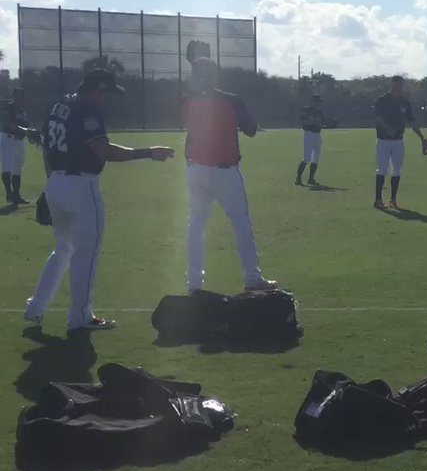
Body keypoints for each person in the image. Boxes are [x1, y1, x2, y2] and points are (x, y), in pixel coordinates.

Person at [24, 69, 174, 330]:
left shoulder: (59, 104)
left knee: (63, 249)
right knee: (87, 253)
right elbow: (105, 152)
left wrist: (50, 186)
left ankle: (36, 306)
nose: (107, 99)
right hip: (81, 187)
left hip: (56, 182)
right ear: (96, 90)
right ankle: (81, 316)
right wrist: (149, 152)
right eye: (106, 93)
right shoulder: (87, 110)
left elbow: (48, 147)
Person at [181, 56, 276, 293]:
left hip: (195, 168)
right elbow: (251, 130)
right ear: (214, 75)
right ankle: (252, 277)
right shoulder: (231, 100)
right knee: (241, 223)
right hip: (224, 170)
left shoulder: (185, 101)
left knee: (196, 227)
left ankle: (195, 283)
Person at [373, 76, 427, 210]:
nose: (399, 87)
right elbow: (377, 118)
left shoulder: (404, 102)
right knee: (382, 169)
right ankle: (378, 200)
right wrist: (388, 129)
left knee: (397, 170)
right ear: (392, 84)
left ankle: (393, 199)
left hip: (398, 140)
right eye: (397, 84)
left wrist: (422, 137)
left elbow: (411, 122)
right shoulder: (382, 100)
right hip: (383, 140)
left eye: (401, 85)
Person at [2, 87, 39, 204]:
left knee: (18, 167)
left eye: (21, 96)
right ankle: (9, 194)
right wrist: (27, 130)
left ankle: (16, 195)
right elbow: (8, 124)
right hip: (7, 138)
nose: (19, 98)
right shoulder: (8, 107)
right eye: (17, 96)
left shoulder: (23, 112)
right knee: (7, 166)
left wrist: (32, 136)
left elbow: (26, 128)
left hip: (19, 141)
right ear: (13, 96)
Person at [296, 94, 324, 186]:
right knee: (306, 158)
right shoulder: (306, 109)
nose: (318, 103)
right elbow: (302, 121)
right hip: (309, 134)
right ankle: (298, 179)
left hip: (317, 135)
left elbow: (322, 124)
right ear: (313, 101)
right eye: (317, 101)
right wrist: (313, 123)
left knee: (315, 159)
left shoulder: (319, 112)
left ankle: (311, 179)